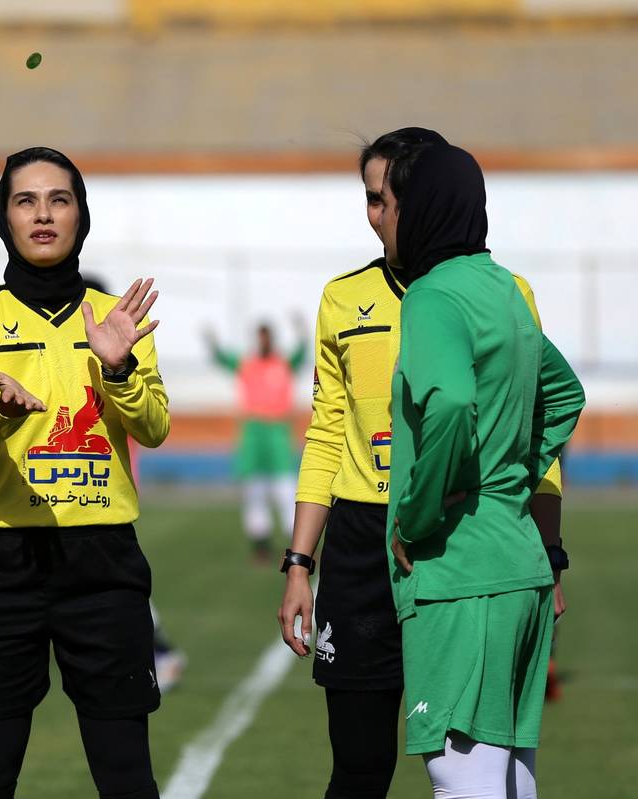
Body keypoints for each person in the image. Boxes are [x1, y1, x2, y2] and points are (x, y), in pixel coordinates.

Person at [277, 127, 570, 799]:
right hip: (363, 542)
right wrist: (299, 562)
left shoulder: (497, 291)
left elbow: (530, 432)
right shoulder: (341, 298)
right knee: (361, 765)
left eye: (390, 198)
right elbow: (327, 433)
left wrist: (546, 546)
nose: (379, 214)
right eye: (370, 198)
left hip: (451, 539)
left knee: (470, 759)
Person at [0, 146, 167, 799]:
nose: (43, 215)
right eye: (26, 201)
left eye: (58, 200)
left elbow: (154, 426)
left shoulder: (119, 316)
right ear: (4, 218)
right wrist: (2, 408)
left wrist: (119, 368)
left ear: (81, 216)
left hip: (103, 564)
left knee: (127, 777)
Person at [382, 142, 584, 797]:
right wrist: (508, 476)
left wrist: (418, 514)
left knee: (461, 773)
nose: (386, 217)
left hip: (461, 569)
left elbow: (451, 403)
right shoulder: (503, 288)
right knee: (510, 777)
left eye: (395, 202)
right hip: (519, 561)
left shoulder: (431, 295)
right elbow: (566, 394)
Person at [83, 275, 187, 692]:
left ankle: (160, 651)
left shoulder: (113, 351)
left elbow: (152, 421)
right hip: (100, 485)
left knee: (109, 581)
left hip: (101, 487)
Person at [205, 320, 307, 562]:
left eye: (267, 337)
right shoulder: (247, 364)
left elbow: (301, 354)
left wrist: (302, 330)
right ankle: (260, 544)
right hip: (252, 433)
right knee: (254, 491)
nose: (263, 341)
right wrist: (212, 342)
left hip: (278, 432)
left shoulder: (283, 363)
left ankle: (298, 542)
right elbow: (222, 359)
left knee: (285, 489)